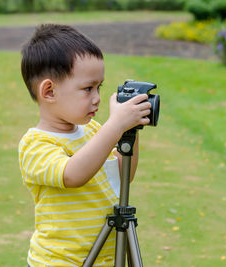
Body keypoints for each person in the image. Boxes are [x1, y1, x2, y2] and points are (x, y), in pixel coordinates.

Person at [18, 24, 151, 266]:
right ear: (49, 91)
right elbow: (73, 174)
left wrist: (131, 131)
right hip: (60, 262)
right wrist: (115, 126)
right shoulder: (35, 144)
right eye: (87, 88)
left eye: (99, 87)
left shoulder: (93, 131)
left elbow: (123, 177)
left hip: (106, 259)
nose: (97, 98)